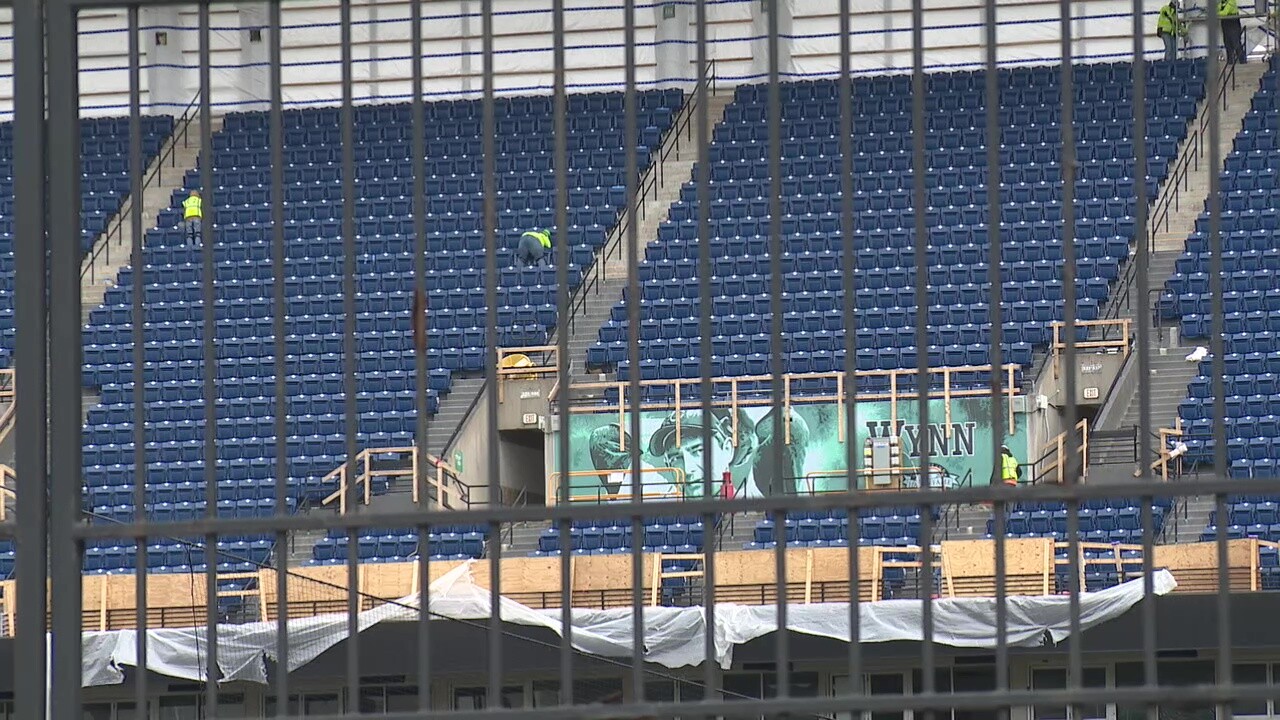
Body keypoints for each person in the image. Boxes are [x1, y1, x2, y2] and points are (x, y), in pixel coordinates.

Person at [1220, 0, 1246, 65]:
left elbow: (1224, 12)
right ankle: (1230, 62)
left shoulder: (1231, 1)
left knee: (1235, 42)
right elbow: (1218, 9)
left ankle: (1242, 61)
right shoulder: (1221, 1)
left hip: (1232, 21)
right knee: (1227, 42)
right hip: (1225, 21)